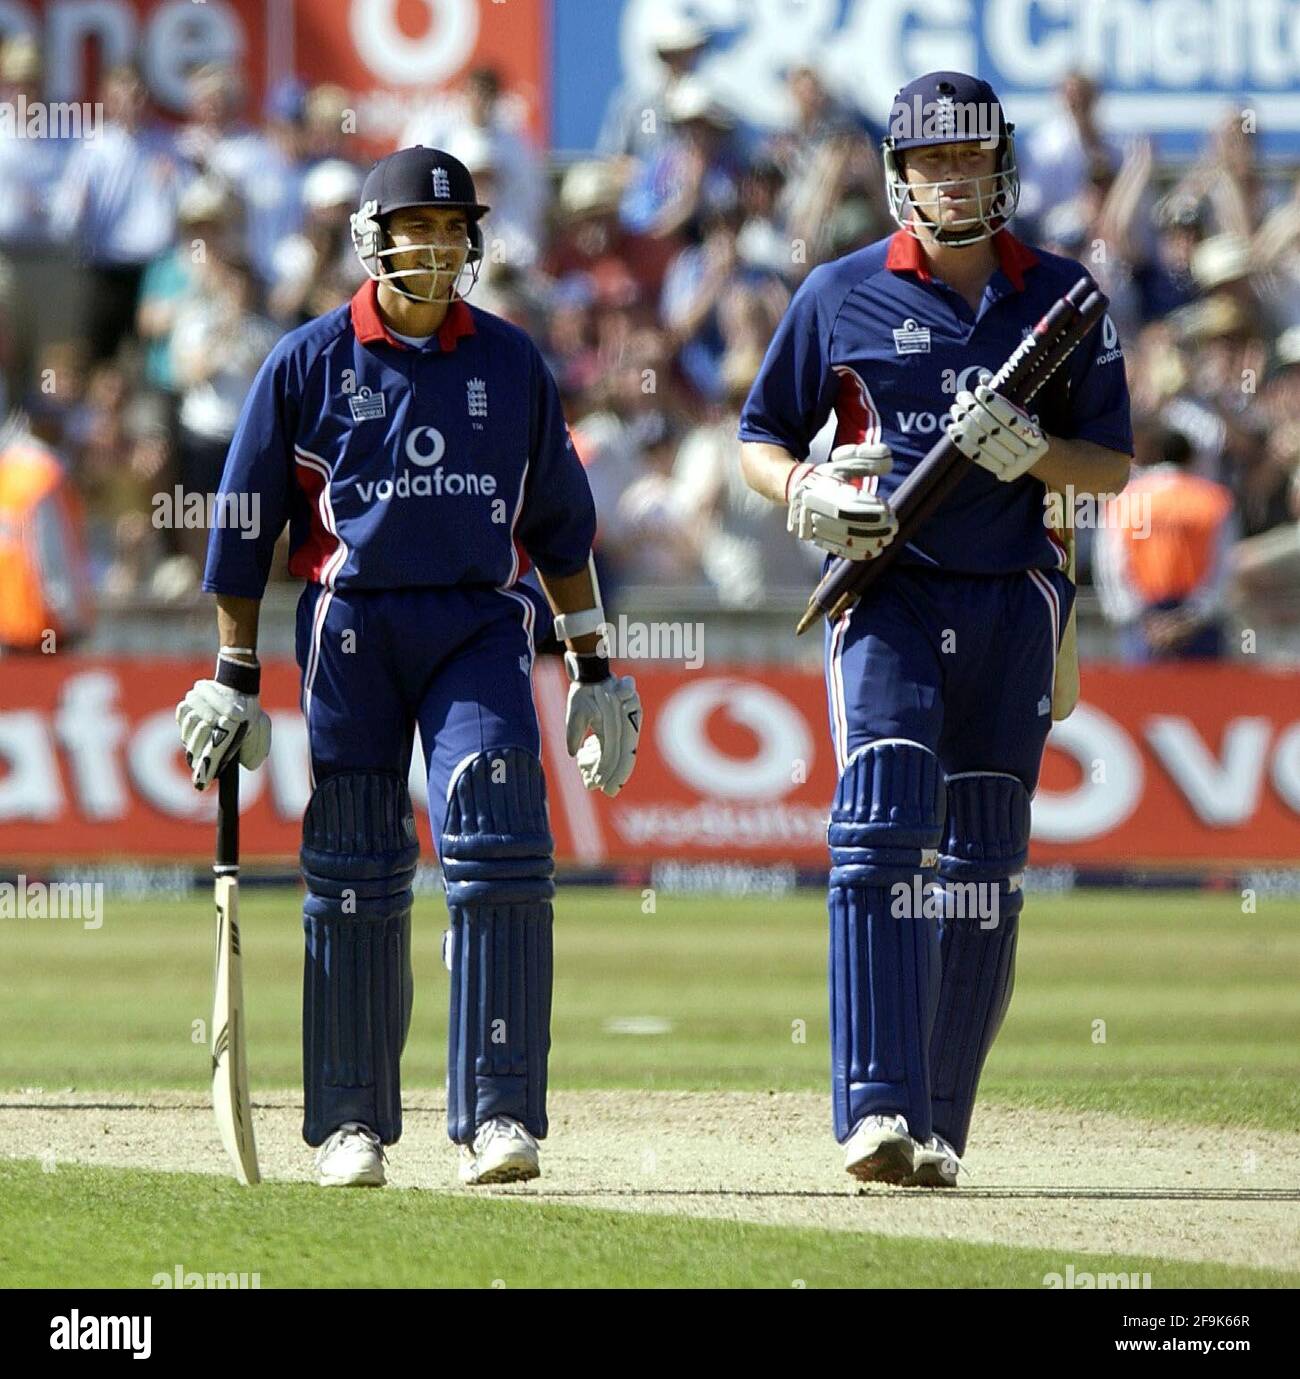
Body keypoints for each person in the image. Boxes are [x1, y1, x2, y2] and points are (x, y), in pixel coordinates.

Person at [174, 147, 642, 1190]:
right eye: (414, 231)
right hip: (353, 627)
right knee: (352, 867)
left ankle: (500, 1115)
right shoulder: (307, 360)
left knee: (501, 833)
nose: (435, 248)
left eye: (451, 231)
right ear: (371, 241)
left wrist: (595, 670)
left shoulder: (513, 361)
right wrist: (232, 673)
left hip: (479, 621)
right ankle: (349, 1124)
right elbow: (244, 530)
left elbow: (562, 531)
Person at [738, 72, 1133, 1187]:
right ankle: (874, 1107)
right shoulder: (839, 290)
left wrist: (1034, 455)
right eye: (931, 160)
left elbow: (1110, 459)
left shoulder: (1061, 298)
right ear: (898, 173)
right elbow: (757, 433)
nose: (953, 179)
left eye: (972, 157)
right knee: (879, 819)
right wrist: (804, 491)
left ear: (1001, 163)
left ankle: (939, 1127)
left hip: (1012, 594)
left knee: (983, 862)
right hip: (886, 586)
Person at [1094, 424, 1235, 660]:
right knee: (1205, 696)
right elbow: (1224, 565)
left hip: (1143, 620)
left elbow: (1111, 561)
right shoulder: (1213, 499)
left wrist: (1135, 614)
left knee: (1140, 696)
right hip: (1198, 623)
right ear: (1190, 458)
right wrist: (1192, 617)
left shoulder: (1127, 499)